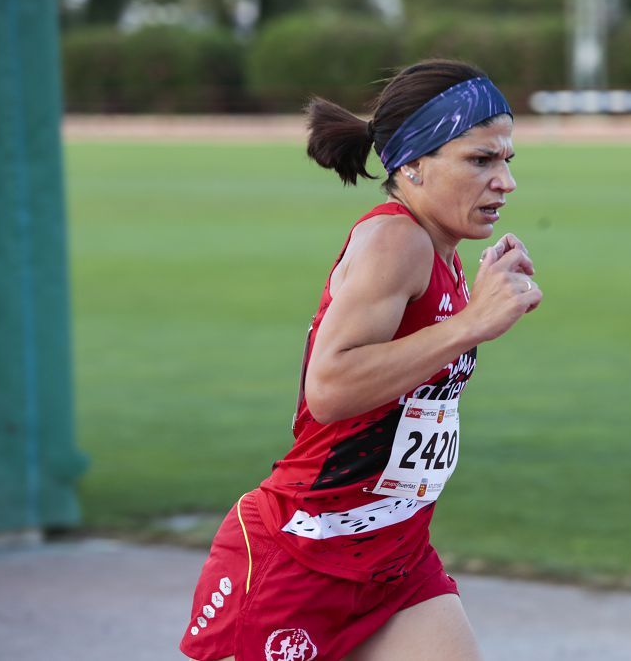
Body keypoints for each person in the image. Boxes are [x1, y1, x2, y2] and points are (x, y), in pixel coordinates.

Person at [180, 59, 542, 661]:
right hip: (302, 556)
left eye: (507, 160)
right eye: (480, 160)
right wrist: (471, 323)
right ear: (412, 165)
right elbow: (331, 386)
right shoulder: (395, 239)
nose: (504, 181)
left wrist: (473, 307)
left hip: (393, 557)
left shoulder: (441, 253)